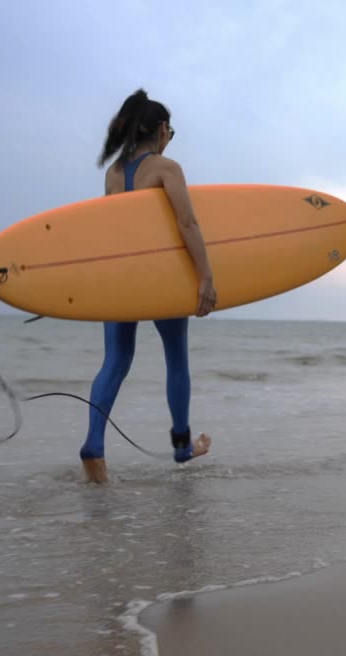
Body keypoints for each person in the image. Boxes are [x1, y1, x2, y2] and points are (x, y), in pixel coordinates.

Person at [80, 89, 216, 484]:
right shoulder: (165, 168)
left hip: (121, 279)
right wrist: (205, 276)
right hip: (158, 278)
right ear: (160, 129)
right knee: (176, 359)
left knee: (114, 363)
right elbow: (187, 224)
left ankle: (94, 445)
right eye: (170, 131)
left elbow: (112, 232)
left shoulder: (113, 174)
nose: (170, 138)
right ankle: (181, 446)